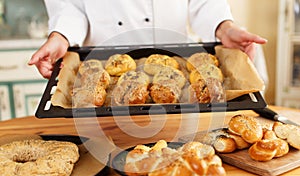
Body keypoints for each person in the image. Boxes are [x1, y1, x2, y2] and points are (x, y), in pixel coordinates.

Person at [29, 0, 267, 79]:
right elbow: (70, 6)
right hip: (102, 69)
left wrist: (224, 27)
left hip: (176, 70)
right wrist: (60, 35)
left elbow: (204, 2)